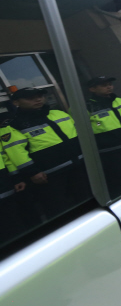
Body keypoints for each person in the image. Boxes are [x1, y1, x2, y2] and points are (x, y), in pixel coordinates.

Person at [1, 88, 90, 220]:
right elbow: (17, 152)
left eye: (40, 96)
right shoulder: (14, 125)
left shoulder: (58, 113)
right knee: (59, 210)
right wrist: (32, 172)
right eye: (30, 98)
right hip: (49, 175)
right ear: (16, 103)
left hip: (77, 165)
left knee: (86, 201)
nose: (38, 99)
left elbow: (78, 133)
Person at [86, 76, 121, 197]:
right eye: (104, 85)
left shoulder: (119, 101)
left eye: (110, 84)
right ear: (92, 89)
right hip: (109, 153)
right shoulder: (86, 107)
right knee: (117, 184)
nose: (109, 87)